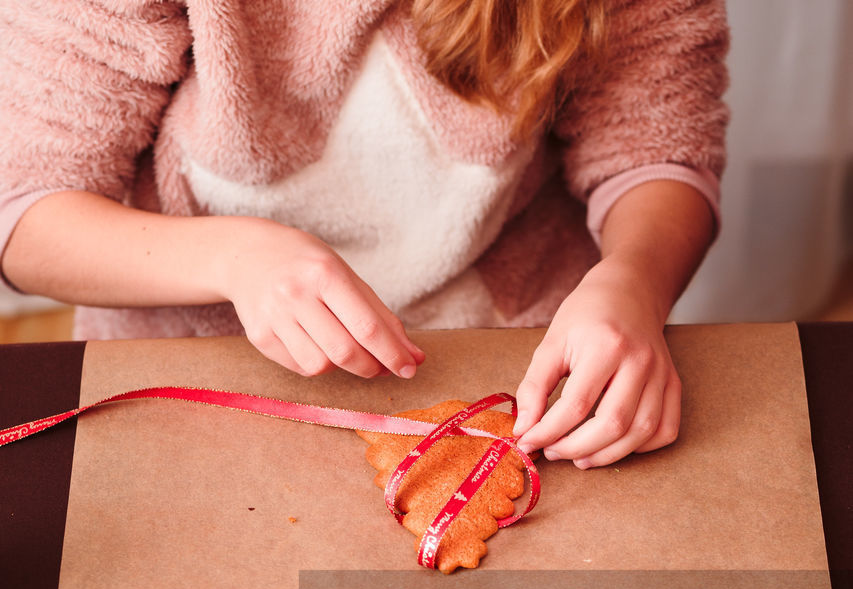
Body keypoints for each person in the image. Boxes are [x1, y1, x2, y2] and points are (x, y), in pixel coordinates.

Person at [0, 0, 727, 468]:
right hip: (194, 372)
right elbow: (29, 213)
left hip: (524, 356)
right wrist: (236, 256)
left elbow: (656, 149)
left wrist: (632, 278)